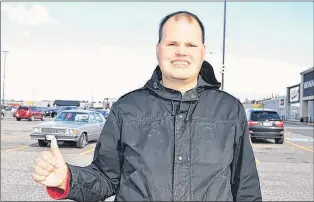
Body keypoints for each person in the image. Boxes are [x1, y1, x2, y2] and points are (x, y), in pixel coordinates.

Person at [32, 11, 262, 201]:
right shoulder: (127, 108)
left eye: (190, 44)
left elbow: (246, 189)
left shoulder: (230, 110)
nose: (181, 51)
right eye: (172, 43)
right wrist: (67, 179)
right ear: (158, 49)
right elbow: (105, 177)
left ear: (203, 51)